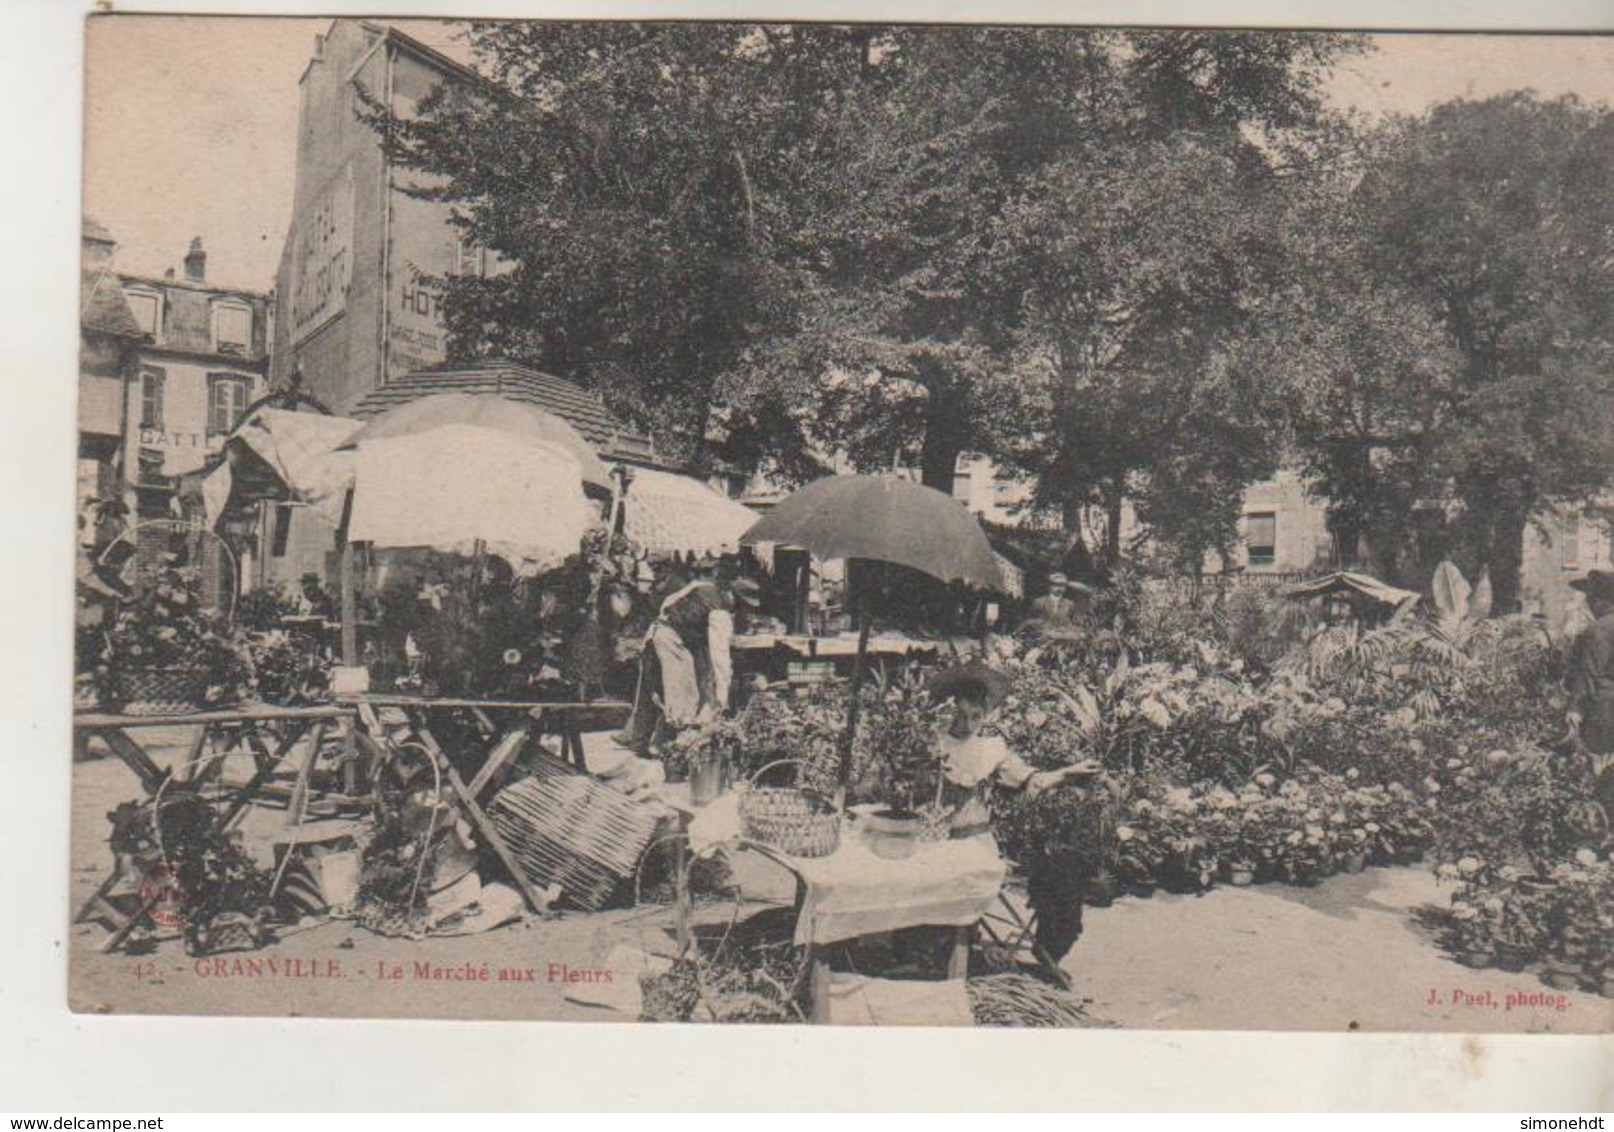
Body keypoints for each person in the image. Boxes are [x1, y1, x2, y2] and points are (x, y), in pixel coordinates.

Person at [925, 662, 1104, 964]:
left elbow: (1032, 779)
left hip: (977, 842)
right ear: (949, 712)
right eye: (961, 716)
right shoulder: (935, 745)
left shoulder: (991, 749)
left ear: (984, 716)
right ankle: (939, 947)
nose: (968, 725)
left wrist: (1069, 772)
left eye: (975, 717)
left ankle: (960, 946)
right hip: (937, 840)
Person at [621, 563, 762, 754]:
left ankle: (639, 746)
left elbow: (668, 603)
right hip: (670, 642)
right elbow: (720, 655)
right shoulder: (719, 609)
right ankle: (677, 753)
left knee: (652, 688)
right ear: (733, 597)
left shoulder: (702, 586)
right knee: (684, 699)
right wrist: (722, 693)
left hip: (657, 633)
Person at [1567, 570, 1614, 809]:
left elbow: (1588, 675)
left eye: (1590, 597)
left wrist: (1575, 710)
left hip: (1605, 712)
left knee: (1600, 775)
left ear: (1599, 599)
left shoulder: (1597, 630)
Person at [1024, 571, 1090, 630]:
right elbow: (1029, 620)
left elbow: (1087, 591)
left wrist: (1067, 582)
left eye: (1062, 585)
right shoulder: (1039, 602)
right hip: (1042, 635)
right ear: (1048, 585)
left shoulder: (1069, 604)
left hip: (1063, 635)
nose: (1059, 588)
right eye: (1055, 585)